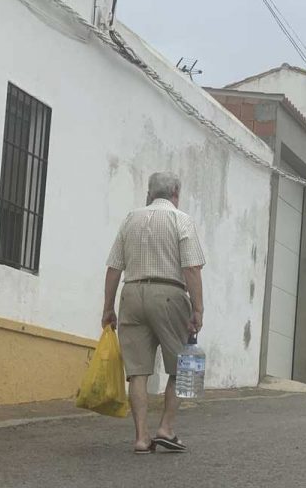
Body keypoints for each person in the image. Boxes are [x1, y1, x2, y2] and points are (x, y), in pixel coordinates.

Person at [102, 172, 205, 454]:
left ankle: (141, 438)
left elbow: (113, 268)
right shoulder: (180, 219)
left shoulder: (130, 219)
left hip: (132, 293)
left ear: (149, 194)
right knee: (182, 366)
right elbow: (192, 268)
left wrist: (108, 308)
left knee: (137, 371)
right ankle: (166, 428)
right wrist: (197, 309)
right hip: (169, 294)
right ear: (175, 194)